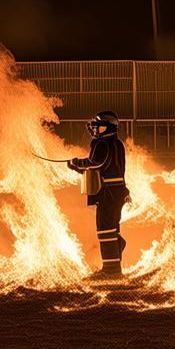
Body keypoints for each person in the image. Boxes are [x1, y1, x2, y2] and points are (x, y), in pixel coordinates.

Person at [69, 111, 130, 277]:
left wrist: (76, 163)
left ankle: (111, 271)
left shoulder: (102, 144)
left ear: (108, 127)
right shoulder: (117, 143)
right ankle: (116, 253)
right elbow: (102, 166)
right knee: (112, 227)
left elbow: (96, 163)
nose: (96, 130)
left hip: (108, 192)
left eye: (100, 127)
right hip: (117, 191)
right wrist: (80, 166)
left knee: (104, 229)